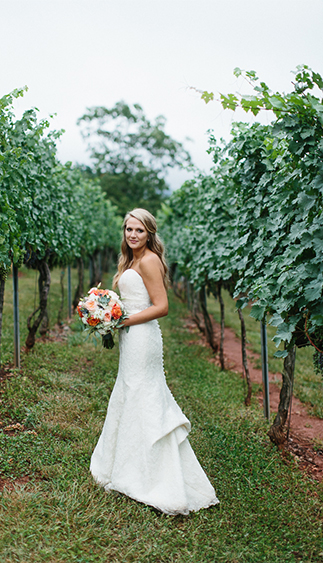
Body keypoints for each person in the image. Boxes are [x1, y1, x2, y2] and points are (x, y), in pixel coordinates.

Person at [89, 208, 218, 515]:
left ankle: (154, 477)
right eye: (128, 229)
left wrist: (122, 319)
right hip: (131, 336)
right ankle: (126, 465)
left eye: (139, 231)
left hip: (142, 336)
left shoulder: (148, 260)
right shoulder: (130, 259)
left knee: (142, 394)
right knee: (131, 392)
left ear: (150, 234)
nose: (132, 235)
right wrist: (107, 311)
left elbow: (162, 307)